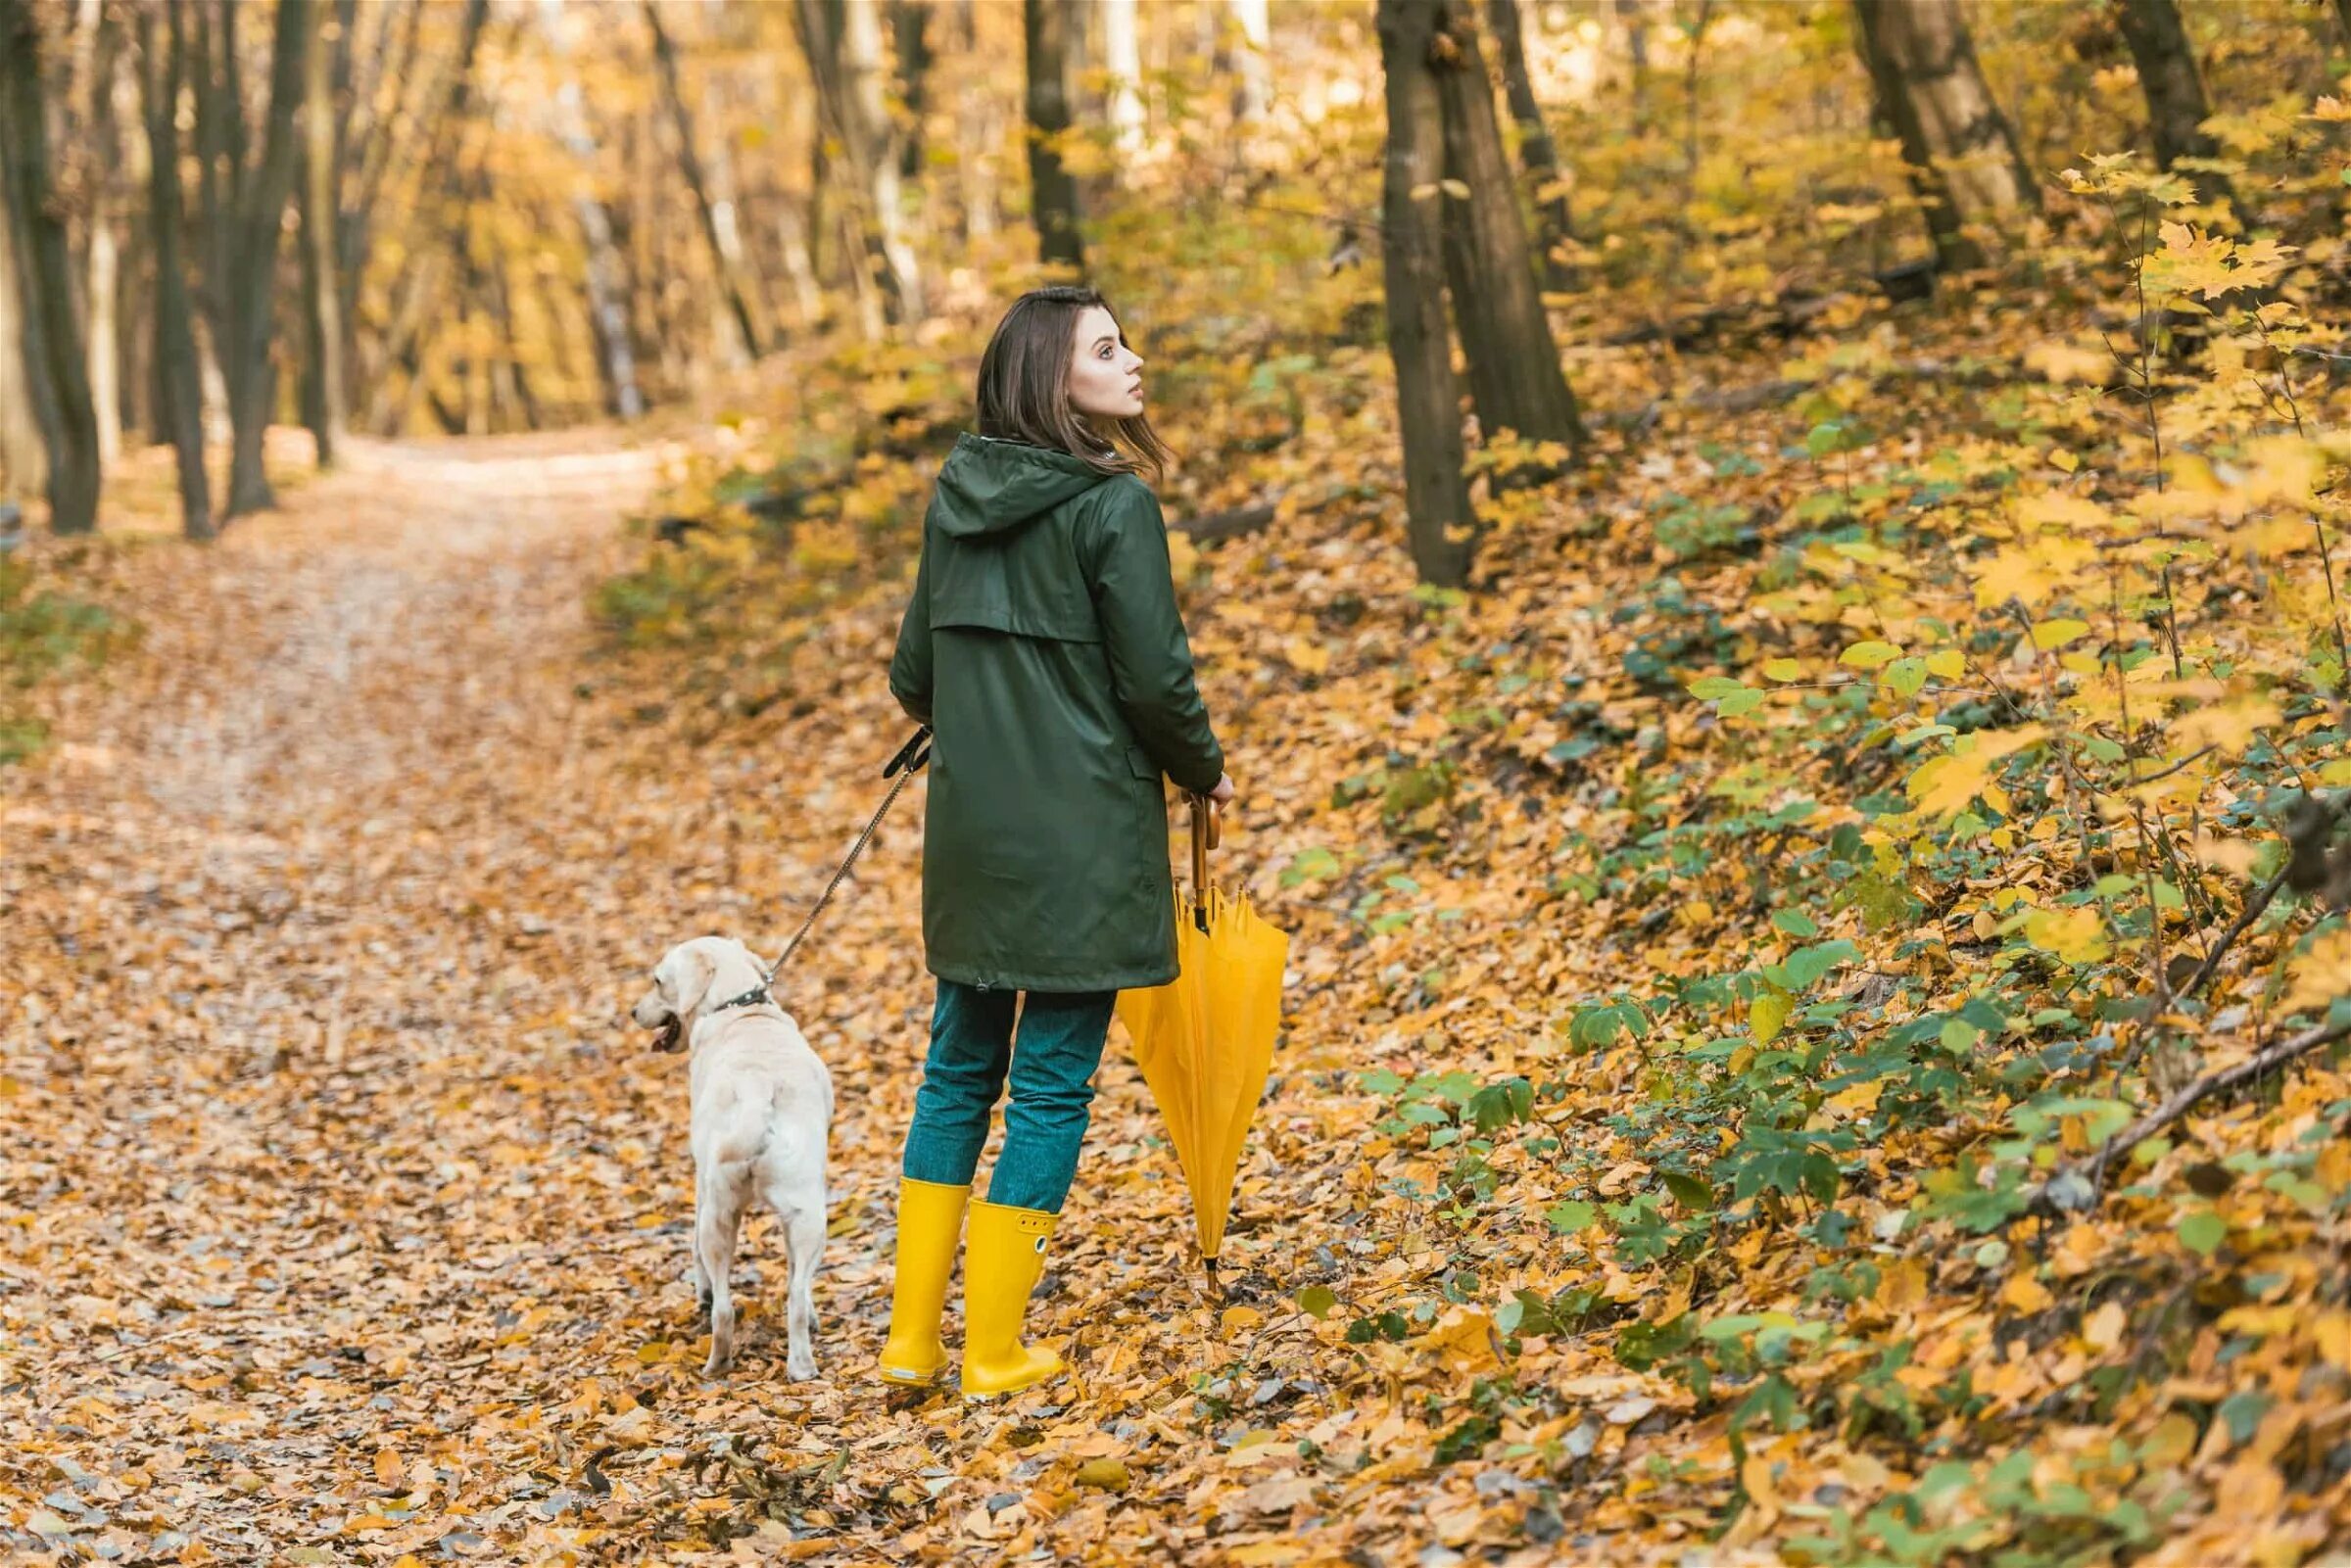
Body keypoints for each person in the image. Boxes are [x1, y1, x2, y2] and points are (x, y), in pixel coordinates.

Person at [879, 285, 1234, 1399]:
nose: (1134, 361)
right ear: (1051, 376)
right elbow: (1157, 678)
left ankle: (909, 1343)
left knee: (954, 1074)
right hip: (1083, 837)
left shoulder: (956, 493)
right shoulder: (1111, 505)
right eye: (1106, 348)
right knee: (1047, 1090)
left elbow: (912, 678)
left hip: (976, 834)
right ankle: (991, 1350)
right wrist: (1205, 768)